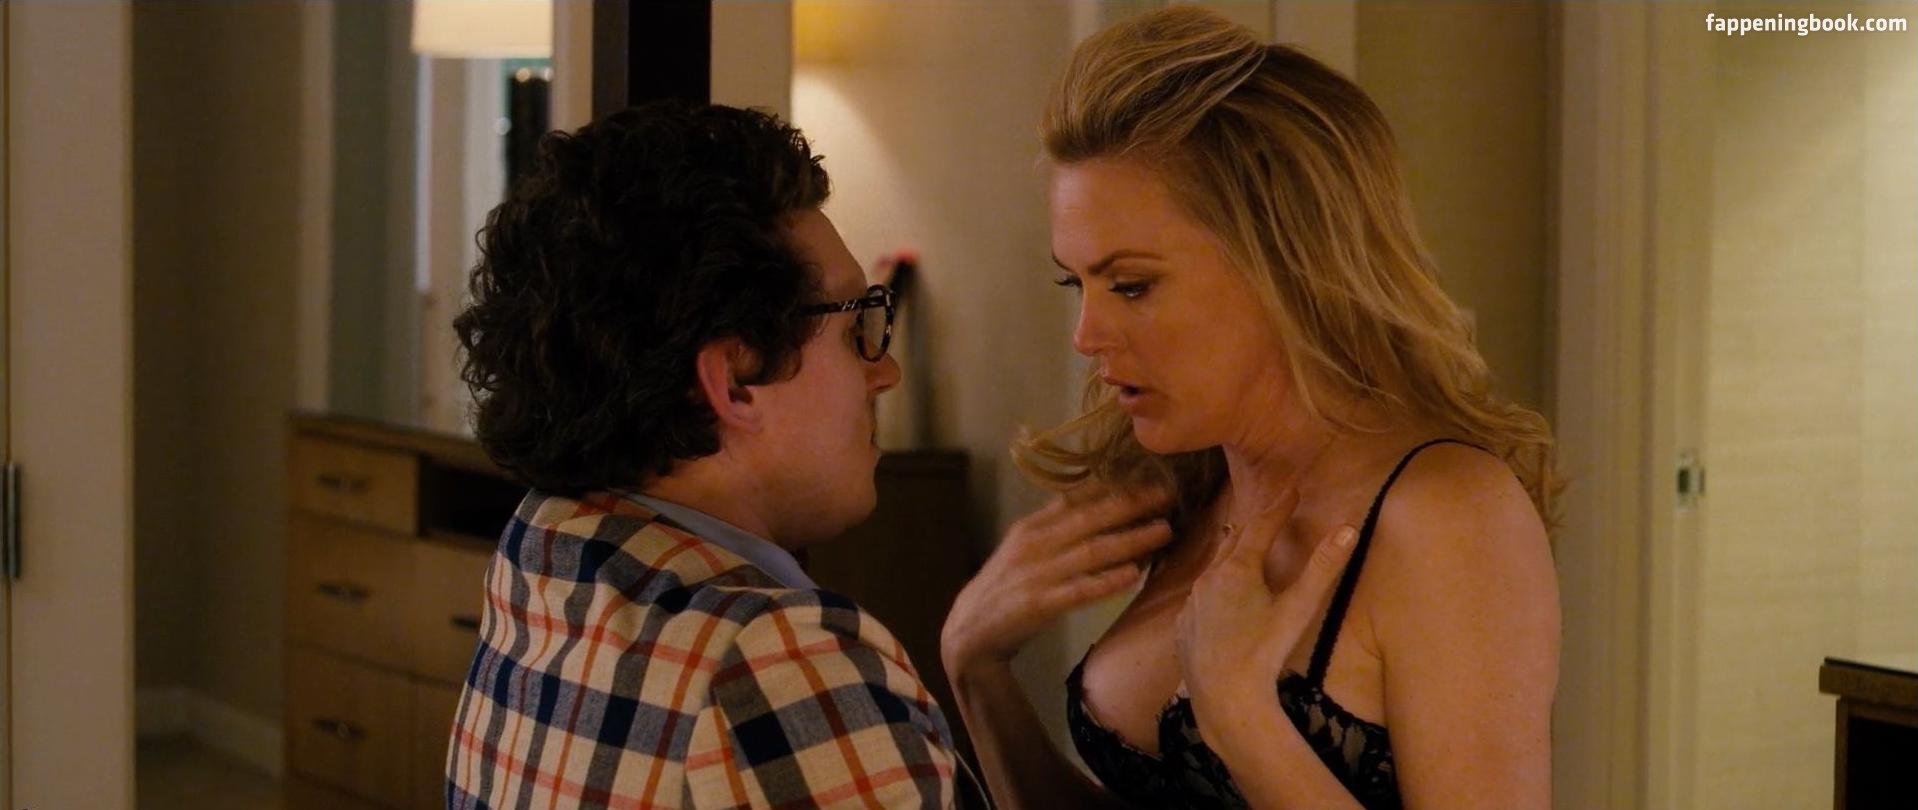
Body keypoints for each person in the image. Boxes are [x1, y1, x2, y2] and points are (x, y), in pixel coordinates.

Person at [939, 7, 1561, 810]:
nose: (1087, 335)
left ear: (1285, 265)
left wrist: (1244, 719)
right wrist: (976, 669)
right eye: (1076, 282)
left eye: (1132, 285)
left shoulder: (1447, 515)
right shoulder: (1194, 487)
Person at [445, 101, 955, 809]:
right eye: (854, 328)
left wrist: (978, 666)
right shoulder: (771, 662)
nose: (886, 371)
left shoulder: (546, 545)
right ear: (735, 380)